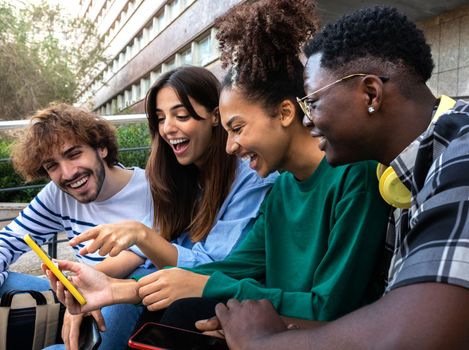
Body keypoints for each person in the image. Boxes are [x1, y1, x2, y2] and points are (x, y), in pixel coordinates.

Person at [46, 0, 390, 331]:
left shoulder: (353, 176)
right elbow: (232, 268)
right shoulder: (283, 189)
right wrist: (117, 288)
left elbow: (326, 308)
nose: (230, 146)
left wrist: (207, 291)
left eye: (237, 128)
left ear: (285, 113)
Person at [197, 6, 469, 349]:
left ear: (370, 93)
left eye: (313, 102)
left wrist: (258, 342)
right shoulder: (405, 176)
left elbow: (412, 338)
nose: (307, 121)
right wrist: (281, 328)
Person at [46, 66, 276, 350]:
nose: (168, 128)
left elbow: (214, 270)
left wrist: (139, 240)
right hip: (157, 298)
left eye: (181, 115)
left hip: (201, 308)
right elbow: (140, 247)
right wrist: (85, 282)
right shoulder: (176, 174)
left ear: (216, 116)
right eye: (160, 118)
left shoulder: (254, 177)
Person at [0, 103, 153, 349]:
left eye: (74, 154)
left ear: (101, 147)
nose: (68, 173)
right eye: (52, 166)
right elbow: (11, 238)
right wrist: (75, 295)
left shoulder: (151, 189)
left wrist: (81, 290)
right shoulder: (58, 194)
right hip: (77, 292)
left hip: (127, 295)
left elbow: (132, 257)